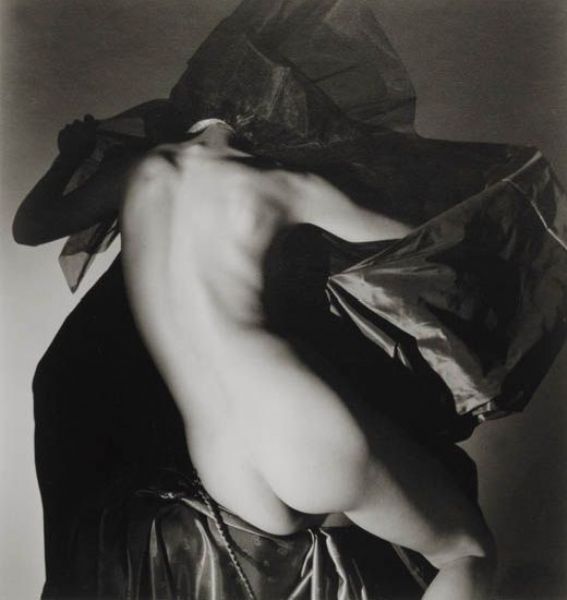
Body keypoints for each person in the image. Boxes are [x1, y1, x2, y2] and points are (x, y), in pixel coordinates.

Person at [14, 0, 567, 598]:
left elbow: (32, 226)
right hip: (292, 413)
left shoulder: (140, 171)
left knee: (349, 550)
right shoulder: (281, 185)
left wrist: (69, 159)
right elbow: (429, 241)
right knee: (465, 553)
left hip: (219, 456)